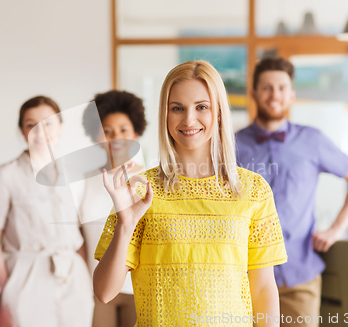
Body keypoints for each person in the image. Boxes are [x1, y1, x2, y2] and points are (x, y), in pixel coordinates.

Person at [93, 60, 288, 326]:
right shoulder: (140, 190)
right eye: (177, 108)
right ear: (165, 114)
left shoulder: (252, 190)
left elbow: (264, 289)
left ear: (218, 112)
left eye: (201, 107)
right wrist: (126, 225)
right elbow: (104, 292)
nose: (189, 119)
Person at [235, 57, 348, 327]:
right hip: (244, 278)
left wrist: (336, 229)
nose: (275, 95)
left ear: (292, 95)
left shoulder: (313, 140)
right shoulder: (231, 145)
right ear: (253, 93)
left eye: (282, 88)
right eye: (267, 88)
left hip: (300, 277)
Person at [0, 96, 94, 327]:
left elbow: (80, 232)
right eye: (31, 125)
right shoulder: (5, 175)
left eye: (48, 123)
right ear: (21, 130)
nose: (40, 132)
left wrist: (85, 276)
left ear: (60, 127)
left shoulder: (75, 175)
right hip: (26, 276)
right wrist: (8, 288)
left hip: (72, 277)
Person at [80, 90, 147, 327]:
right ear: (96, 135)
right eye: (107, 131)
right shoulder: (84, 181)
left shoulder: (150, 180)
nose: (116, 137)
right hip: (97, 288)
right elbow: (78, 241)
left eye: (123, 130)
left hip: (139, 287)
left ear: (136, 132)